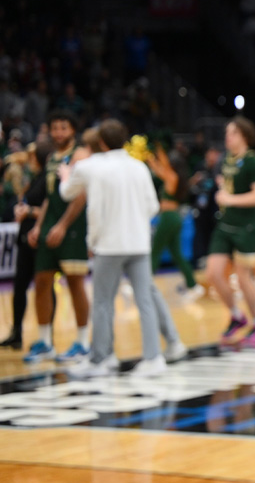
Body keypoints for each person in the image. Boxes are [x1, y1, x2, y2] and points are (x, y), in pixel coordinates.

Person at [60, 119, 187, 378]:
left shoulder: (89, 167)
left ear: (101, 142)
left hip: (109, 244)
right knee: (145, 300)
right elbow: (152, 206)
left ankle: (102, 358)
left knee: (103, 302)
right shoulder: (139, 166)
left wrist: (65, 176)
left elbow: (69, 195)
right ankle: (153, 358)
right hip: (139, 243)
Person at [25, 111, 91, 364]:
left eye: (63, 128)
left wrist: (62, 226)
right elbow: (49, 196)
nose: (59, 132)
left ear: (73, 130)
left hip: (72, 225)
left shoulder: (80, 155)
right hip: (50, 223)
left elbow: (81, 195)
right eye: (55, 128)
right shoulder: (52, 157)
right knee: (41, 281)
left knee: (75, 283)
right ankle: (45, 342)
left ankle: (83, 343)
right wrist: (38, 226)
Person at [208, 117, 255, 348]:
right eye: (227, 133)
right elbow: (227, 189)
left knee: (243, 278)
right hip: (225, 225)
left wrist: (230, 199)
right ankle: (236, 314)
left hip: (246, 227)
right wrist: (223, 192)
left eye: (232, 133)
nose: (227, 137)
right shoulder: (227, 160)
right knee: (213, 273)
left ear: (244, 135)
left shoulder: (252, 160)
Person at [1, 142, 56, 351]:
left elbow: (48, 207)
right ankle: (16, 333)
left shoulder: (48, 180)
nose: (28, 160)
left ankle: (47, 333)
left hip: (39, 239)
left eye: (32, 157)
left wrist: (29, 212)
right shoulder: (35, 178)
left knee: (45, 285)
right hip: (25, 238)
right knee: (19, 286)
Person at [145, 142, 203, 298]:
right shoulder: (174, 176)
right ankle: (193, 285)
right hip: (174, 217)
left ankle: (145, 284)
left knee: (156, 249)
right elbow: (160, 167)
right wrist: (154, 153)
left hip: (169, 217)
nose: (166, 164)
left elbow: (160, 168)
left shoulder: (172, 176)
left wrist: (154, 153)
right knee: (177, 253)